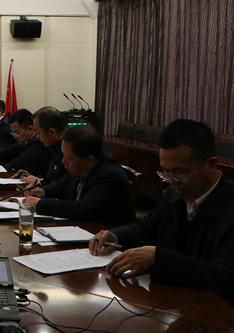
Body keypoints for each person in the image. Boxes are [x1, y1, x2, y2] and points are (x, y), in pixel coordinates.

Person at [90, 119, 234, 307]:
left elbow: (226, 277)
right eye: (165, 172)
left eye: (179, 173)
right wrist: (116, 236)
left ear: (211, 164)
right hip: (175, 304)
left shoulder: (229, 206)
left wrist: (158, 259)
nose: (171, 181)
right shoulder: (174, 195)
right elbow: (149, 227)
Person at [23, 125, 135, 229]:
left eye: (68, 158)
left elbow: (83, 209)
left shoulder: (109, 176)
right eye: (63, 155)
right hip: (81, 229)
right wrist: (43, 192)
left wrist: (40, 204)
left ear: (89, 160)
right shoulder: (80, 166)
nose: (63, 161)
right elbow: (63, 184)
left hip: (102, 234)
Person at [0, 108, 49, 176]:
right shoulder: (25, 141)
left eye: (17, 132)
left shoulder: (38, 145)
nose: (15, 136)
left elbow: (14, 165)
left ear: (30, 129)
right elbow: (8, 150)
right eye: (13, 133)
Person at [12, 106, 68, 185]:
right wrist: (33, 178)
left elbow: (65, 185)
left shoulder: (68, 152)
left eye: (38, 133)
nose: (37, 137)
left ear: (52, 132)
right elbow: (50, 178)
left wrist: (41, 182)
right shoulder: (52, 147)